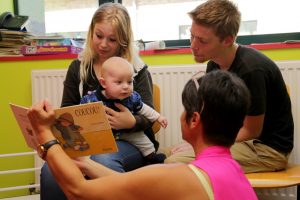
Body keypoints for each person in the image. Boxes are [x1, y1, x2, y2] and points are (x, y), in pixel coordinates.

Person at [27, 70, 258, 200]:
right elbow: (123, 183)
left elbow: (79, 191)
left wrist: (43, 132)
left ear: (194, 119)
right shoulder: (233, 171)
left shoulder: (181, 177)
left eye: (185, 108)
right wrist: (84, 164)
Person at [39, 3, 159, 199]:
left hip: (128, 141)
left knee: (103, 160)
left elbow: (150, 116)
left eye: (112, 39)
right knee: (52, 169)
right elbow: (67, 109)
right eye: (99, 36)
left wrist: (131, 122)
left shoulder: (136, 69)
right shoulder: (79, 68)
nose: (103, 44)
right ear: (91, 33)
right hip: (85, 142)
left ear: (123, 41)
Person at [164, 0, 294, 174]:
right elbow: (214, 117)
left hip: (266, 149)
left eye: (202, 40)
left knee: (174, 163)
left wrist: (201, 146)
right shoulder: (214, 66)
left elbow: (251, 130)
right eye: (192, 36)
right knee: (165, 154)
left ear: (227, 40)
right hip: (235, 140)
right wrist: (193, 143)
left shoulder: (252, 70)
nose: (193, 45)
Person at [80, 56, 168, 164]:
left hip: (128, 132)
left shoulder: (132, 97)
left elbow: (144, 109)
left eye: (129, 82)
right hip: (104, 135)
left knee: (144, 142)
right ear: (103, 83)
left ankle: (151, 158)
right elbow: (80, 114)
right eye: (119, 82)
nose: (126, 87)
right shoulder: (92, 99)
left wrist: (158, 117)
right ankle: (86, 167)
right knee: (88, 148)